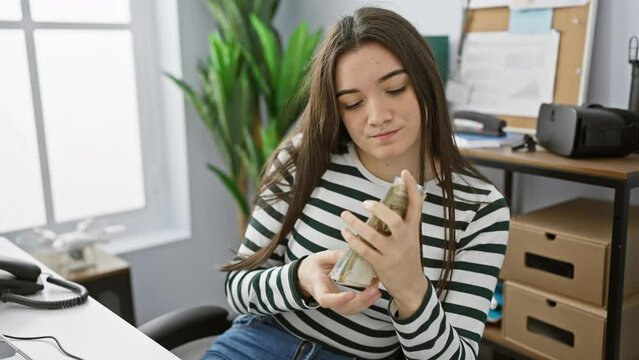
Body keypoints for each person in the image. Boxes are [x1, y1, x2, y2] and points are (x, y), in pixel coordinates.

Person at [202, 6, 510, 360]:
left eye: (395, 89)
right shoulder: (304, 158)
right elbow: (237, 288)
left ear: (426, 82)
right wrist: (301, 278)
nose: (377, 117)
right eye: (352, 103)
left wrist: (410, 288)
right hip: (257, 344)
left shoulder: (481, 210)